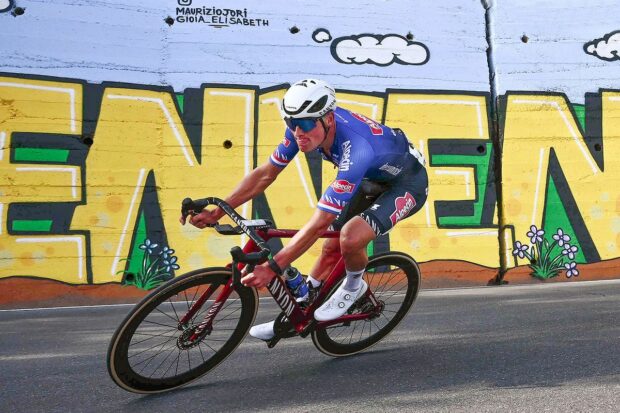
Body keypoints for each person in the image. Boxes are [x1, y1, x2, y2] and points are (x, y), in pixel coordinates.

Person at [181, 79, 428, 340]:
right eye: (291, 123)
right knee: (330, 248)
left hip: (407, 183)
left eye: (306, 124)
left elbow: (320, 221)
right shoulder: (303, 127)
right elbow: (266, 174)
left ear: (328, 119)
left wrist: (273, 267)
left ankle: (354, 286)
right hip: (372, 177)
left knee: (350, 237)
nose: (298, 131)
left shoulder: (356, 150)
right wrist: (219, 210)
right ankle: (303, 307)